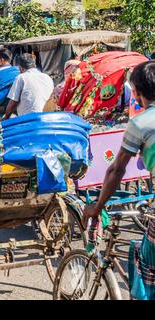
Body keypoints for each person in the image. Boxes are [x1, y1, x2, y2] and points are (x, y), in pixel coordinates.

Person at [82, 61, 155, 300]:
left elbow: (116, 170)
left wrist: (97, 206)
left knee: (146, 265)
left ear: (135, 92)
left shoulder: (141, 124)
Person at [4, 53, 54, 120]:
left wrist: (6, 118)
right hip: (46, 118)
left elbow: (13, 103)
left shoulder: (21, 77)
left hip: (28, 120)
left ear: (20, 68)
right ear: (35, 65)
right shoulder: (47, 78)